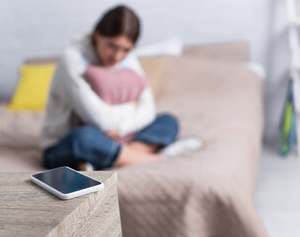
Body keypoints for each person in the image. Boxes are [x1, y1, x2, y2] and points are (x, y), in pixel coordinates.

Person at [40, 5, 203, 171]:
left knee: (168, 121)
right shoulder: (72, 58)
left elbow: (148, 109)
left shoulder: (127, 58)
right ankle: (159, 158)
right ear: (97, 35)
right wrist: (132, 107)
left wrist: (120, 130)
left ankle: (114, 157)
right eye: (112, 46)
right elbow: (101, 121)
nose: (117, 56)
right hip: (64, 144)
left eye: (126, 50)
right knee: (83, 138)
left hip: (120, 137)